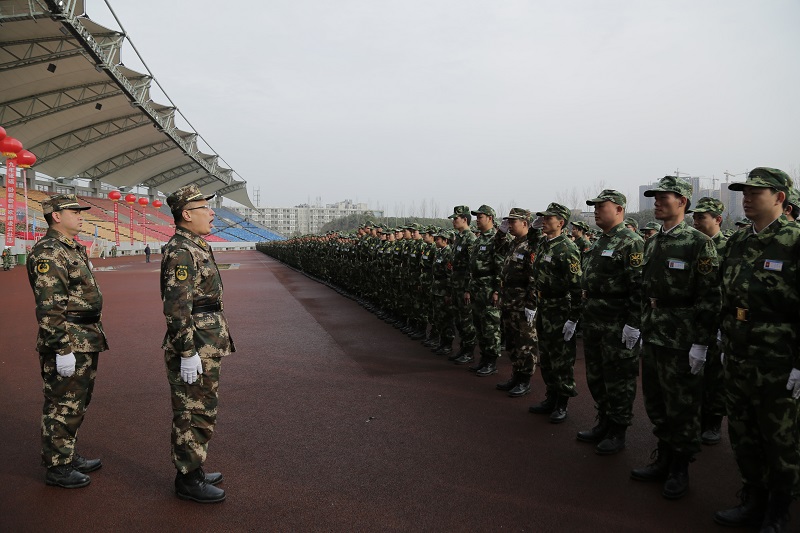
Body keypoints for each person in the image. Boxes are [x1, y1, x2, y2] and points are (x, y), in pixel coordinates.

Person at [714, 168, 800, 532]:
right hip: (738, 353)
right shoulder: (737, 241)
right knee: (743, 433)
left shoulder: (794, 241)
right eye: (744, 192)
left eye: (756, 192)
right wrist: (722, 337)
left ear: (779, 197)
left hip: (779, 359)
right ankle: (753, 498)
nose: (747, 198)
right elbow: (726, 294)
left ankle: (779, 511)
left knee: (779, 437)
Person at [632, 176, 720, 500]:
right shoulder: (652, 242)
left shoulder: (699, 243)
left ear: (682, 201)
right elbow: (645, 291)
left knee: (681, 406)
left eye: (663, 197)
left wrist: (701, 343)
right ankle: (664, 457)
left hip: (681, 339)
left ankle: (680, 467)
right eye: (654, 197)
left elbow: (711, 298)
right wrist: (641, 326)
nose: (656, 202)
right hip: (655, 334)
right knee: (655, 403)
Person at [26, 194, 108, 488]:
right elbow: (50, 307)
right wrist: (62, 349)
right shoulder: (50, 252)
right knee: (62, 403)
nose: (80, 215)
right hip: (68, 340)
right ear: (56, 216)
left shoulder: (69, 248)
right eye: (74, 211)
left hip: (85, 337)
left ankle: (67, 454)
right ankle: (57, 468)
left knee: (77, 401)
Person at [161, 185, 235, 503]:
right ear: (187, 214)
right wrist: (187, 352)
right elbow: (177, 308)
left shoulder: (194, 244)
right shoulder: (181, 250)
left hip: (207, 339)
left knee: (203, 408)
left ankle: (195, 467)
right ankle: (188, 478)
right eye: (205, 207)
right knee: (192, 411)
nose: (212, 212)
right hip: (195, 343)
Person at [577, 190, 643, 455]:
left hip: (617, 322)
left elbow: (638, 286)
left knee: (619, 378)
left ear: (618, 209)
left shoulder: (631, 241)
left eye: (600, 206)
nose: (595, 210)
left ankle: (618, 429)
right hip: (594, 320)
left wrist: (633, 323)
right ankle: (603, 420)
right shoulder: (598, 242)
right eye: (594, 206)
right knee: (596, 376)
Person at [528, 202, 582, 423]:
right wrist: (532, 226)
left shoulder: (567, 248)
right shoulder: (544, 243)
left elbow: (577, 286)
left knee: (561, 358)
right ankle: (551, 396)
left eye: (548, 219)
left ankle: (562, 402)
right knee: (548, 357)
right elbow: (529, 241)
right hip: (545, 307)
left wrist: (573, 318)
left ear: (560, 223)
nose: (543, 221)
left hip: (560, 308)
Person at [689, 197, 728, 446]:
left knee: (714, 374)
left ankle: (713, 420)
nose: (696, 222)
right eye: (695, 217)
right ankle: (696, 418)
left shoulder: (729, 246)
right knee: (694, 372)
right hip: (694, 317)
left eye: (702, 217)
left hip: (718, 320)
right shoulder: (692, 245)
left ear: (717, 219)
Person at [495, 208, 538, 397]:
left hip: (522, 302)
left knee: (525, 342)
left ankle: (525, 379)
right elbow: (496, 248)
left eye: (513, 222)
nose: (510, 225)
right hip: (509, 301)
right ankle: (516, 374)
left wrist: (531, 304)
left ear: (525, 224)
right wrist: (500, 233)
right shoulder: (514, 244)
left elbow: (534, 278)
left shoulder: (531, 246)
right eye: (508, 222)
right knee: (512, 341)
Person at [464, 205, 506, 375]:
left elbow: (500, 267)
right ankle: (483, 358)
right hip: (476, 287)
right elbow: (472, 268)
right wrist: (468, 288)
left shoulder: (496, 239)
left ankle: (491, 361)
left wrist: (497, 290)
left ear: (490, 218)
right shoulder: (479, 239)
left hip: (489, 287)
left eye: (480, 217)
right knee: (479, 325)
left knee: (490, 326)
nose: (477, 220)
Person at [448, 206, 478, 363]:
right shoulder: (459, 237)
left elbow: (472, 266)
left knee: (466, 320)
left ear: (464, 219)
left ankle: (469, 351)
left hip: (464, 287)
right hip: (456, 285)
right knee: (459, 319)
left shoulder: (470, 238)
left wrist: (468, 289)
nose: (453, 221)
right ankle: (463, 348)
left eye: (456, 218)